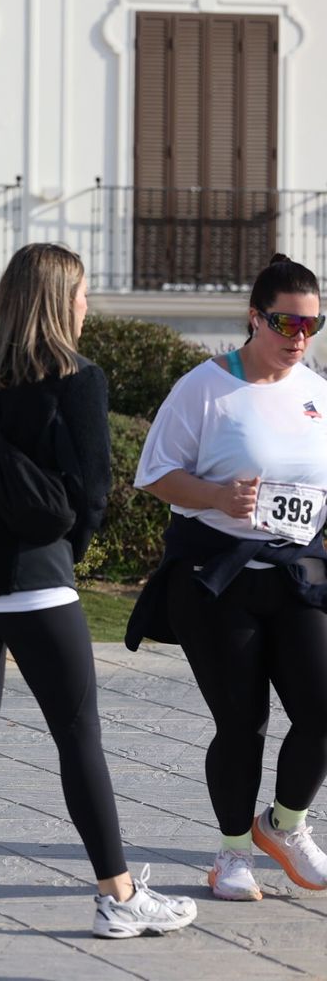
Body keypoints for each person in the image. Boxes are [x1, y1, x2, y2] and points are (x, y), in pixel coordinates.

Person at [0, 242, 196, 939]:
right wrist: (67, 560)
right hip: (31, 583)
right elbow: (92, 493)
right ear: (61, 301)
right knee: (78, 736)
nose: (88, 306)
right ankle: (119, 897)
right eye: (84, 294)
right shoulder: (75, 378)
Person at [131, 252, 327, 902]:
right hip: (215, 575)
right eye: (286, 323)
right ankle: (233, 853)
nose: (299, 337)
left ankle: (285, 825)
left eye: (312, 325)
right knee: (243, 721)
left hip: (297, 571)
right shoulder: (205, 388)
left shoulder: (316, 393)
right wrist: (217, 497)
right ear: (254, 318)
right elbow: (155, 473)